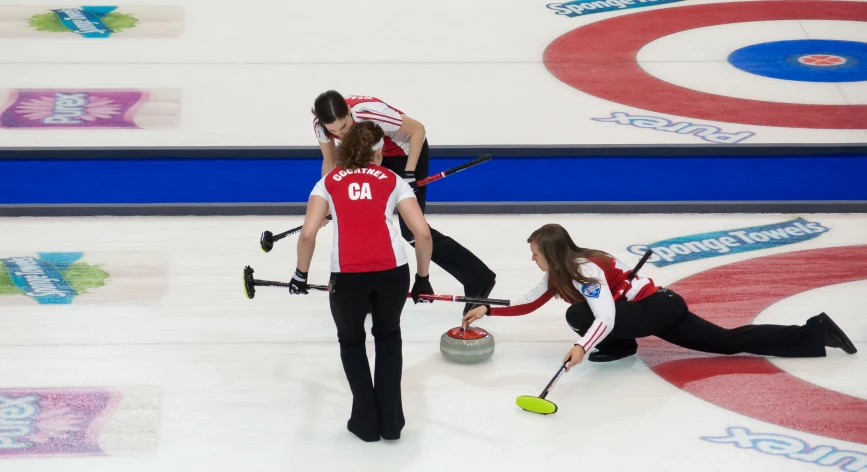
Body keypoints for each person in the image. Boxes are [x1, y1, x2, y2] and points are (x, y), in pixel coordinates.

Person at [462, 223, 858, 372]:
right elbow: (529, 302)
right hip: (655, 306)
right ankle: (813, 333)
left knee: (583, 319)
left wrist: (582, 347)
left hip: (654, 308)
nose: (532, 259)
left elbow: (604, 318)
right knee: (724, 343)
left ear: (551, 252)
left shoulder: (586, 271)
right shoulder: (559, 271)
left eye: (535, 252)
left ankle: (621, 348)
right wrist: (488, 309)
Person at [290, 121, 435, 442]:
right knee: (388, 338)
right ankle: (392, 422)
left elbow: (308, 234)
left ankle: (366, 420)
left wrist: (301, 274)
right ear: (380, 152)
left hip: (348, 275)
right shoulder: (393, 179)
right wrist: (423, 279)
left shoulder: (328, 182)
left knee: (352, 342)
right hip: (393, 272)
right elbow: (422, 233)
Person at [311, 90, 497, 314]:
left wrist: (409, 173)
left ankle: (479, 278)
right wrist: (326, 202)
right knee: (364, 213)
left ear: (350, 112)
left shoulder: (372, 113)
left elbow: (418, 129)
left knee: (411, 230)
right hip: (368, 153)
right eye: (334, 130)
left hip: (404, 155)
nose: (341, 133)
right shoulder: (321, 125)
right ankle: (368, 289)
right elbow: (330, 160)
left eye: (344, 126)